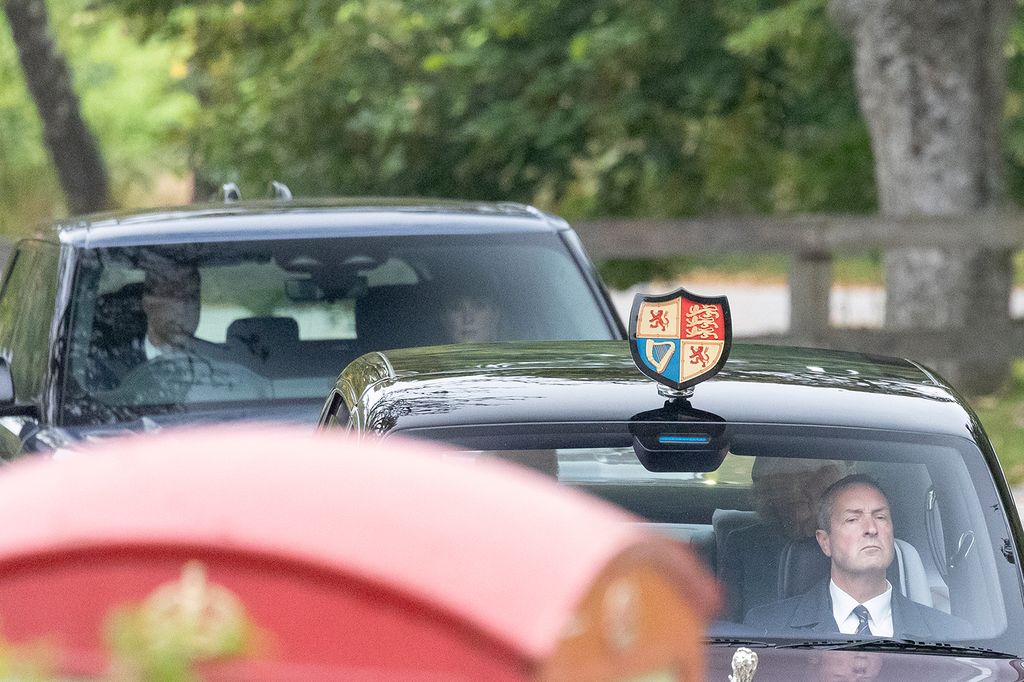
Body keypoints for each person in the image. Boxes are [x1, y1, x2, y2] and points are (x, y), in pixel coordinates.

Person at [744, 474, 969, 639]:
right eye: (853, 519)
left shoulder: (951, 635)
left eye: (880, 517)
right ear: (825, 541)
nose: (871, 528)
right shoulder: (767, 628)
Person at [718, 457, 847, 620]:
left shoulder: (852, 542)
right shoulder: (743, 544)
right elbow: (725, 625)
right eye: (786, 498)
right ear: (769, 499)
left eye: (807, 493)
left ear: (828, 496)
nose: (798, 513)